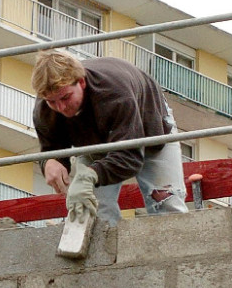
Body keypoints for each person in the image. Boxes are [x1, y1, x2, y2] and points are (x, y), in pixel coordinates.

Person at [32, 49, 188, 225]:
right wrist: (50, 161)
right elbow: (51, 147)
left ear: (81, 82)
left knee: (167, 203)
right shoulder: (45, 109)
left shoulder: (115, 94)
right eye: (52, 101)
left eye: (66, 98)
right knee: (94, 212)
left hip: (149, 126)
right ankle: (107, 250)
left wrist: (89, 176)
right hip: (95, 140)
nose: (61, 107)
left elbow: (130, 158)